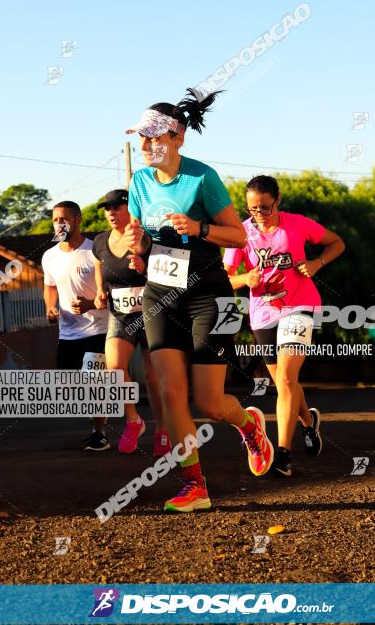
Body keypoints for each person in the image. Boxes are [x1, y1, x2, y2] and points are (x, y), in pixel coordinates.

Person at [124, 88, 274, 513]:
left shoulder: (201, 177)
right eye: (142, 139)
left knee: (208, 401)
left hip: (210, 295)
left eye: (155, 137)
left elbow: (238, 235)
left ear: (178, 137)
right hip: (160, 294)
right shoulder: (139, 181)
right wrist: (135, 247)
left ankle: (248, 424)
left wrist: (197, 228)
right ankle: (195, 486)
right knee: (171, 396)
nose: (147, 145)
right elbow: (137, 237)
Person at [224, 175, 345, 477]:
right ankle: (308, 422)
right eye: (252, 209)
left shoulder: (298, 223)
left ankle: (283, 453)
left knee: (288, 379)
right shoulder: (240, 233)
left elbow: (336, 243)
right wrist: (244, 279)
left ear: (277, 201)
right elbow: (224, 276)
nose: (259, 215)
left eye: (265, 208)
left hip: (299, 306)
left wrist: (317, 263)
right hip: (263, 313)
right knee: (283, 384)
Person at [92, 189, 170, 456]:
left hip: (151, 312)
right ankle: (134, 420)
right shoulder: (100, 241)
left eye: (117, 206)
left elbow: (168, 272)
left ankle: (161, 430)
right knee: (114, 369)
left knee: (152, 376)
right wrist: (101, 290)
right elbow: (98, 266)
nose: (111, 212)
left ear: (130, 208)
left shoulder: (145, 237)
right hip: (120, 315)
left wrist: (145, 268)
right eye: (107, 208)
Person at [41, 201, 110, 450]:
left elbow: (110, 292)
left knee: (94, 382)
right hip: (68, 332)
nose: (59, 223)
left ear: (78, 220)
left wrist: (91, 303)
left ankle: (99, 433)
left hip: (98, 329)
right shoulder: (49, 256)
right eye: (56, 219)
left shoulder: (96, 252)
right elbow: (49, 286)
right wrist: (50, 307)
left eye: (64, 219)